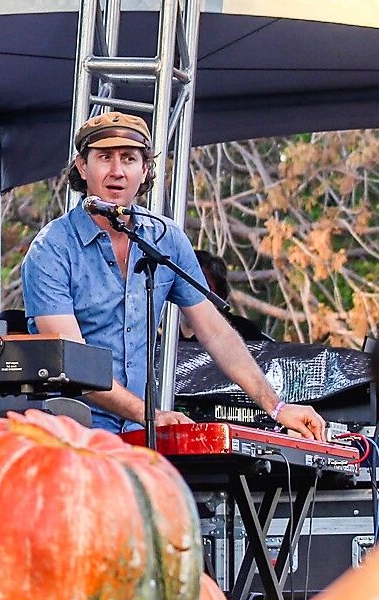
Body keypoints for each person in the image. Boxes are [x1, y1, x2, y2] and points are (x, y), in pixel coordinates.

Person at [20, 112, 323, 439]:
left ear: (145, 170)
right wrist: (150, 415)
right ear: (82, 166)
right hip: (71, 436)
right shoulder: (51, 249)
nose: (117, 171)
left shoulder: (165, 238)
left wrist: (276, 407)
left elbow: (216, 333)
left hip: (141, 434)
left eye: (129, 158)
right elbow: (71, 361)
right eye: (105, 157)